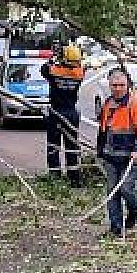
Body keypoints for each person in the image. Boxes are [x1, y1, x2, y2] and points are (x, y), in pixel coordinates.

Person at [96, 67, 137, 237]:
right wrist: (101, 151)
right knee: (112, 192)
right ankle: (116, 228)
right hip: (111, 157)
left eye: (121, 85)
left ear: (127, 84)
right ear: (110, 85)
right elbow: (103, 130)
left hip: (130, 158)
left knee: (127, 190)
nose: (118, 88)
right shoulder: (108, 104)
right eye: (114, 85)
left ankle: (133, 213)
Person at [40, 45, 85, 186]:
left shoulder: (54, 71)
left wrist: (54, 57)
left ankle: (55, 177)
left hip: (56, 112)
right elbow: (81, 66)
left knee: (53, 145)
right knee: (72, 146)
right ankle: (74, 178)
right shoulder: (80, 73)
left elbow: (44, 69)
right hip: (71, 112)